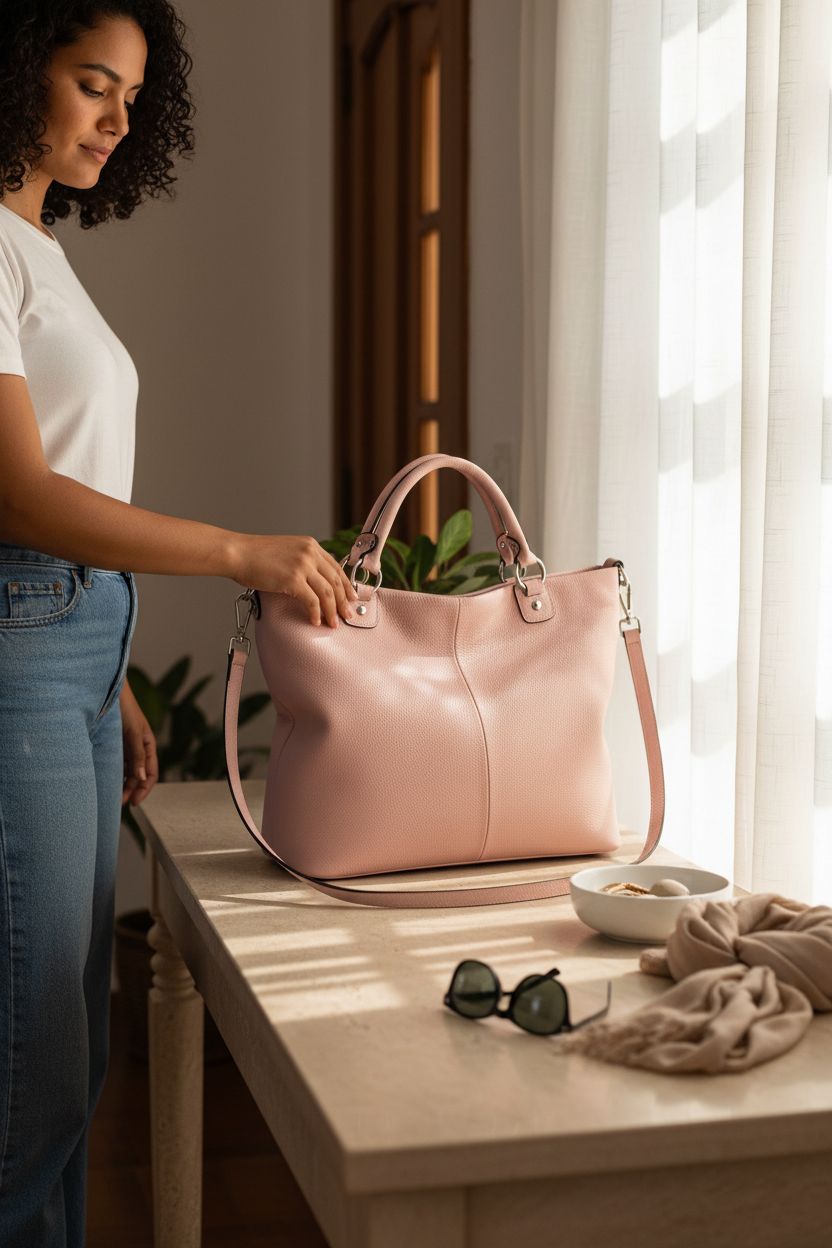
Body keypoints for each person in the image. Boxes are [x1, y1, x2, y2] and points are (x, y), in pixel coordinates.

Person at [0, 3, 358, 1244]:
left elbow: (64, 498)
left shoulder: (38, 249)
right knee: (26, 1075)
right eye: (91, 83)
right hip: (22, 646)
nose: (116, 119)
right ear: (12, 69)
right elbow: (18, 494)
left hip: (68, 647)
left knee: (70, 1061)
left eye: (133, 98)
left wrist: (114, 676)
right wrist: (235, 552)